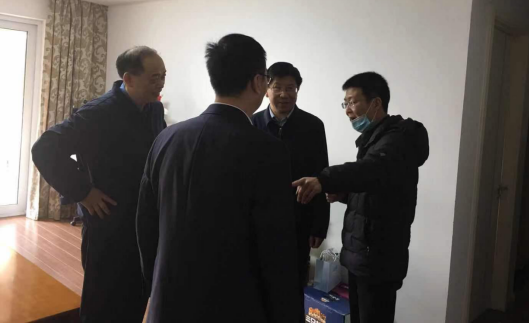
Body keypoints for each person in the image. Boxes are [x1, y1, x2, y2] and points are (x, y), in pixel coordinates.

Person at [136, 34, 299, 323]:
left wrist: (157, 287)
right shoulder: (267, 151)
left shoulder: (167, 138)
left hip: (167, 302)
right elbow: (276, 250)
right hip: (233, 306)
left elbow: (145, 226)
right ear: (258, 82)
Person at [32, 46, 167, 323]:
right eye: (154, 77)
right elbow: (45, 149)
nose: (161, 83)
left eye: (163, 76)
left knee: (136, 295)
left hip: (142, 221)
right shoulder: (98, 113)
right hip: (108, 223)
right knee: (103, 303)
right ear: (128, 79)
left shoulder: (153, 109)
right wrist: (83, 192)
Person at [293, 72, 429, 323]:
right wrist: (346, 195)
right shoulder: (375, 139)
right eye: (345, 103)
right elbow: (379, 188)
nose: (347, 110)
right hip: (364, 256)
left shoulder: (396, 140)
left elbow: (371, 170)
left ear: (376, 103)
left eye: (353, 102)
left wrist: (324, 179)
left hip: (379, 258)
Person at [251, 62, 330, 313]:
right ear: (266, 89)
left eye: (291, 88)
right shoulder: (251, 124)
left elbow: (322, 174)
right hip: (259, 221)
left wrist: (319, 225)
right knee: (258, 285)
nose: (284, 94)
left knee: (294, 285)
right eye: (277, 87)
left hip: (299, 219)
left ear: (297, 90)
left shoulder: (313, 126)